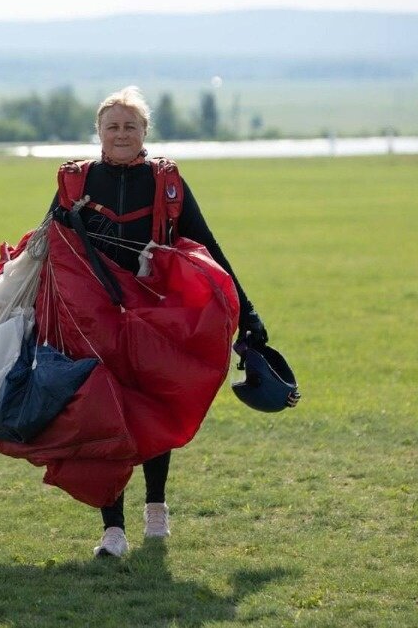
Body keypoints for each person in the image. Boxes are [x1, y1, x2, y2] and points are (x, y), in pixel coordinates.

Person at [46, 86, 269, 558]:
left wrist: (246, 311)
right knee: (107, 415)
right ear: (99, 134)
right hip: (96, 319)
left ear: (145, 131)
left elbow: (208, 248)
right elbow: (46, 248)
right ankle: (112, 530)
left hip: (154, 315)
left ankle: (156, 507)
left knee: (153, 409)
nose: (121, 133)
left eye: (131, 126)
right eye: (113, 126)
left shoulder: (167, 183)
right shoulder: (75, 184)